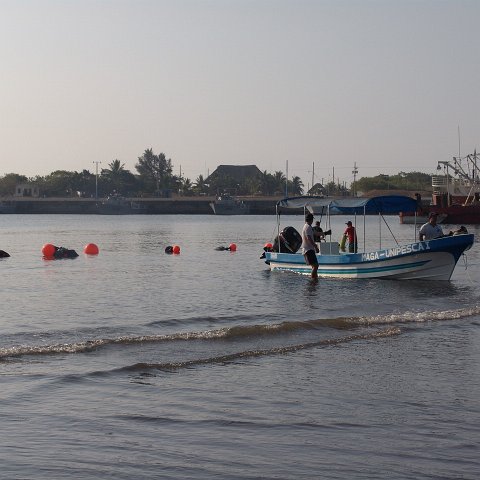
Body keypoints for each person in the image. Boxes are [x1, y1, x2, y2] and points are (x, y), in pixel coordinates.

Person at [301, 212, 319, 278]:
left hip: (307, 249)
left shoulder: (307, 226)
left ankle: (315, 279)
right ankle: (313, 281)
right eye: (312, 220)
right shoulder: (308, 227)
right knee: (316, 266)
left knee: (314, 266)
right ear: (311, 220)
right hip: (308, 249)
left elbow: (315, 233)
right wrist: (315, 246)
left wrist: (325, 233)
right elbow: (309, 238)